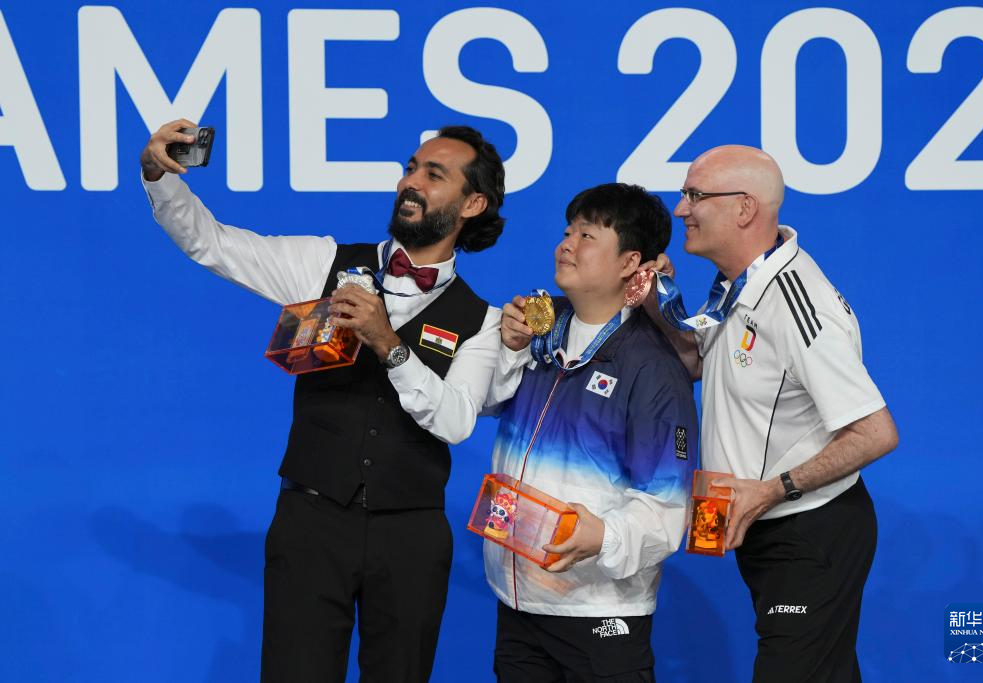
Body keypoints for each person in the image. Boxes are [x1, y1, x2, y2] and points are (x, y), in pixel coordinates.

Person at [140, 119, 506, 682]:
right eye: (411, 168)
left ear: (473, 204)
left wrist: (387, 343)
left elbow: (455, 421)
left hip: (410, 535)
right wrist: (159, 176)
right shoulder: (323, 263)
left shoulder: (484, 322)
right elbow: (211, 243)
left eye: (434, 175)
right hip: (312, 521)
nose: (411, 182)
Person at [648, 145, 899, 682]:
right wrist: (654, 299)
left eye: (694, 195)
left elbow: (876, 432)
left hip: (809, 533)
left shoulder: (796, 303)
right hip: (769, 527)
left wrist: (771, 490)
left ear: (744, 208)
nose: (680, 209)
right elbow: (698, 363)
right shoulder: (737, 283)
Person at [486, 183, 698, 682]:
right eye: (567, 232)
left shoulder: (653, 367)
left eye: (586, 235)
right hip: (516, 602)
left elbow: (668, 507)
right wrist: (509, 348)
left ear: (631, 262)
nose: (566, 244)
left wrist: (603, 536)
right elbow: (483, 403)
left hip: (599, 610)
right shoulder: (537, 329)